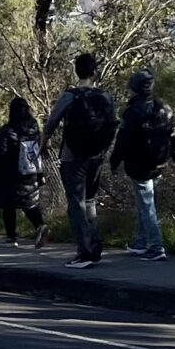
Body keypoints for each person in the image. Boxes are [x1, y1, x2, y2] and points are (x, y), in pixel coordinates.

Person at [45, 51, 117, 267]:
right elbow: (113, 124)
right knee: (90, 200)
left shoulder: (71, 95)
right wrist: (104, 149)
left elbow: (52, 122)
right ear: (95, 72)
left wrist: (43, 143)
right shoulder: (105, 96)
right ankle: (95, 246)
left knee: (76, 203)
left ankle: (84, 252)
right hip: (96, 155)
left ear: (76, 71)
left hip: (73, 155)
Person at [111, 69, 175, 260]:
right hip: (159, 162)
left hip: (139, 165)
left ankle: (156, 246)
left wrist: (114, 161)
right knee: (144, 203)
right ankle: (140, 242)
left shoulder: (132, 111)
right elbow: (173, 135)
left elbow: (122, 139)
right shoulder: (164, 107)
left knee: (147, 205)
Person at [0, 95, 50, 248]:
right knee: (29, 202)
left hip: (11, 174)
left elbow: (0, 153)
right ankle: (40, 225)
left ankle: (11, 237)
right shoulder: (34, 129)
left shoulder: (8, 130)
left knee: (9, 205)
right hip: (32, 172)